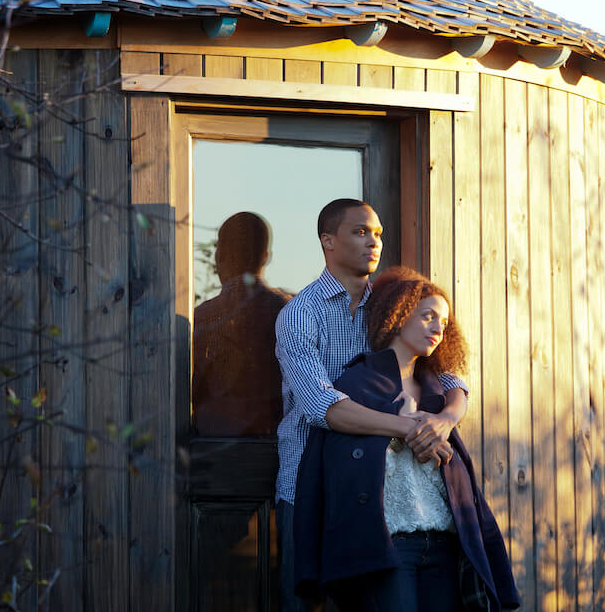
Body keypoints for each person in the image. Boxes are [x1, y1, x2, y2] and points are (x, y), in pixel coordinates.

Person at [275, 199, 470, 611]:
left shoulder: (390, 307)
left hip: (380, 493)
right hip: (310, 486)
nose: (374, 242)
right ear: (328, 241)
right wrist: (412, 429)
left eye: (378, 233)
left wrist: (444, 421)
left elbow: (447, 377)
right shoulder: (299, 316)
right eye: (361, 232)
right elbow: (323, 407)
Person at [293, 267, 520, 611]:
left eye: (443, 323)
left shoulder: (438, 391)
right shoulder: (357, 384)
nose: (437, 328)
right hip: (390, 548)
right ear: (399, 314)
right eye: (427, 315)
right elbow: (342, 469)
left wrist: (438, 423)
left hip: (443, 544)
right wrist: (404, 429)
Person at [192, 211, 289, 436]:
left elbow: (188, 390)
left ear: (220, 256)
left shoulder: (201, 318)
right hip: (279, 450)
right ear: (266, 256)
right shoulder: (290, 312)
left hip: (211, 451)